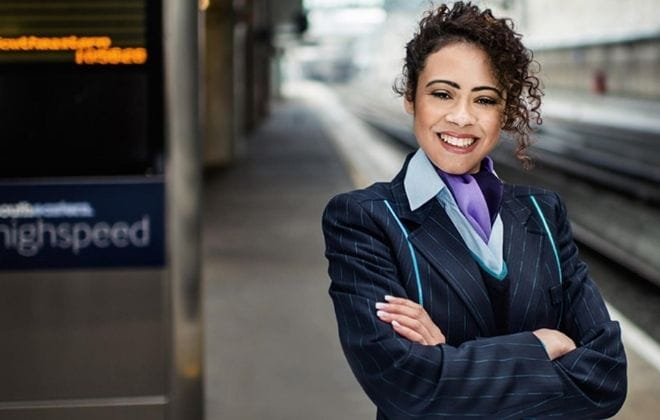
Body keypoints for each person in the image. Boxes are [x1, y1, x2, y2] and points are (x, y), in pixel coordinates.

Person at [321, 2, 627, 418]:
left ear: (505, 112)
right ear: (411, 97)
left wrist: (447, 360)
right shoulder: (364, 219)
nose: (462, 117)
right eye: (443, 94)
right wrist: (542, 345)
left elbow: (607, 377)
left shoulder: (543, 213)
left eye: (484, 99)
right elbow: (403, 384)